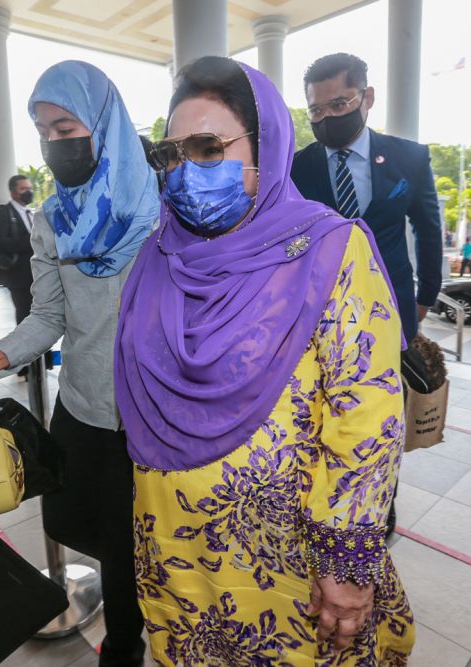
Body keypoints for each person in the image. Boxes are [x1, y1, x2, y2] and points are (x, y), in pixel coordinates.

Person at [116, 56, 413, 665]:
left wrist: (347, 562)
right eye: (169, 155)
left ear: (266, 149)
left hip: (290, 558)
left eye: (206, 148)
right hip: (175, 546)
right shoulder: (157, 256)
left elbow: (368, 415)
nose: (183, 171)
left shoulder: (329, 248)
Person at [0, 61, 158, 666]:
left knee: (171, 539)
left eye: (66, 126)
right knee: (115, 543)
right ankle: (123, 646)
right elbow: (47, 315)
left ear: (104, 122)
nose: (56, 143)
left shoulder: (169, 207)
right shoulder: (52, 220)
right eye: (44, 131)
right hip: (88, 410)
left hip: (166, 415)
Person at [291, 53, 442, 343]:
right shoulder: (296, 168)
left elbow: (428, 230)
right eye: (316, 111)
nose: (328, 118)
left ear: (367, 98)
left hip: (390, 304)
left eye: (338, 105)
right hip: (317, 314)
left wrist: (426, 295)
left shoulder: (410, 158)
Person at [0, 174, 35, 324]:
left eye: (30, 188)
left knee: (38, 314)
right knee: (24, 313)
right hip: (18, 275)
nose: (28, 192)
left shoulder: (30, 213)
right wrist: (31, 239)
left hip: (35, 274)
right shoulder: (3, 212)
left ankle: (41, 347)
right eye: (23, 189)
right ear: (13, 192)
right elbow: (0, 242)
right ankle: (26, 346)